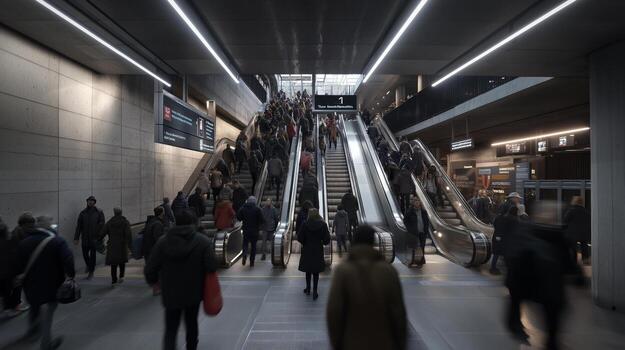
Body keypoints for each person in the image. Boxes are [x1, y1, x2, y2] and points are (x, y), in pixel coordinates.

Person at [326, 225, 407, 350]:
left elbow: (334, 311)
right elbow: (398, 312)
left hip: (351, 342)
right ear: (372, 241)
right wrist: (400, 344)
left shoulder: (343, 271)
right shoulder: (388, 271)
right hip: (384, 342)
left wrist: (336, 343)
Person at [144, 209, 216, 350]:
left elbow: (150, 268)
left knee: (171, 328)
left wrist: (154, 282)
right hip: (193, 292)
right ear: (193, 223)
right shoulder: (203, 241)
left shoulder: (163, 242)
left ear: (176, 223)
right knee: (191, 325)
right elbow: (211, 267)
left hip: (170, 293)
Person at [17, 215, 75, 350]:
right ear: (49, 227)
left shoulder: (24, 243)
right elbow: (68, 260)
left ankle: (33, 329)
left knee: (35, 306)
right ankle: (46, 344)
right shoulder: (58, 241)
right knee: (49, 312)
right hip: (52, 285)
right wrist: (70, 275)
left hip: (30, 285)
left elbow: (17, 264)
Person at [297, 209, 330, 300]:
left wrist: (305, 242)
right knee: (316, 271)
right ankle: (315, 291)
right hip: (318, 249)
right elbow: (327, 239)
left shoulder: (304, 224)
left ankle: (308, 289)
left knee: (308, 270)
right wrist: (322, 242)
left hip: (307, 248)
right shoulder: (323, 224)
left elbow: (299, 237)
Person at [73, 195, 105, 279]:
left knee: (93, 255)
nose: (90, 202)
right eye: (89, 200)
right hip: (85, 238)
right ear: (87, 202)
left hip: (94, 238)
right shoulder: (83, 213)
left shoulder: (99, 212)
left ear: (94, 202)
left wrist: (100, 236)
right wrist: (76, 238)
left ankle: (91, 271)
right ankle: (88, 265)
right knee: (85, 254)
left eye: (92, 201)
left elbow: (102, 224)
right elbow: (79, 226)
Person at [99, 208, 132, 285]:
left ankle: (114, 280)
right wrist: (129, 245)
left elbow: (102, 232)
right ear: (121, 213)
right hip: (122, 245)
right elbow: (128, 234)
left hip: (112, 245)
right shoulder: (125, 222)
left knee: (113, 264)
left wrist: (99, 239)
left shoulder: (110, 222)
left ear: (114, 213)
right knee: (122, 261)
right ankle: (121, 276)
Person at [491, 205, 520, 274]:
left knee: (497, 254)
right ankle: (493, 268)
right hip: (500, 239)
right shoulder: (507, 218)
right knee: (498, 254)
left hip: (498, 238)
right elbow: (502, 228)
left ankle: (494, 268)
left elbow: (495, 225)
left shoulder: (499, 217)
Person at [236, 196, 265, 267]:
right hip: (255, 230)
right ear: (255, 201)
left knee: (245, 244)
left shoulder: (243, 208)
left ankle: (245, 254)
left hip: (246, 229)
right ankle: (252, 262)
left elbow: (238, 217)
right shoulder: (258, 209)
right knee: (253, 246)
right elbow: (262, 220)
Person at [563, 196, 591, 265]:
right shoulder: (586, 211)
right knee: (584, 247)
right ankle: (585, 261)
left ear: (574, 201)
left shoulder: (571, 210)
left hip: (572, 233)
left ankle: (574, 262)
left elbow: (565, 220)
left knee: (573, 248)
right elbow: (589, 222)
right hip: (584, 233)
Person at [404, 198, 430, 266]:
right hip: (414, 233)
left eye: (418, 201)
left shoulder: (423, 211)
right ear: (413, 203)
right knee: (413, 247)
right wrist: (410, 229)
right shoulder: (410, 211)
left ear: (420, 203)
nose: (417, 202)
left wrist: (426, 229)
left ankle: (421, 261)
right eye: (415, 201)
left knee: (422, 246)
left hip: (422, 232)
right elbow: (405, 221)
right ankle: (412, 261)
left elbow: (426, 221)